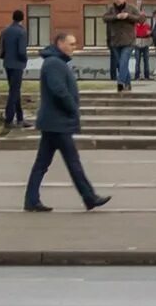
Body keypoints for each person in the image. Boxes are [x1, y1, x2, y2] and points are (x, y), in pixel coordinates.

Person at [24, 32, 110, 213]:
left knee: (43, 164)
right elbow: (59, 90)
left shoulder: (55, 62)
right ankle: (89, 197)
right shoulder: (54, 63)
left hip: (53, 121)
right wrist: (72, 108)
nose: (74, 47)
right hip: (57, 122)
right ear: (60, 43)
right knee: (72, 162)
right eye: (71, 44)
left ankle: (31, 200)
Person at [103, 0, 141, 93]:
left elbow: (141, 19)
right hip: (115, 41)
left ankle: (120, 82)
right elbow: (105, 18)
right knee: (120, 64)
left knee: (124, 61)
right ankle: (128, 83)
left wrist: (128, 16)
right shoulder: (111, 9)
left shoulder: (131, 8)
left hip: (128, 41)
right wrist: (116, 17)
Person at [0, 9, 29, 129]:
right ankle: (9, 119)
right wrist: (25, 60)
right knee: (14, 92)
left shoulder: (6, 30)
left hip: (7, 64)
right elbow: (22, 51)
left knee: (15, 91)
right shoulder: (21, 32)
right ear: (22, 19)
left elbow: (3, 47)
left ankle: (20, 118)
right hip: (17, 65)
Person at [133, 14, 152, 82]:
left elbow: (150, 34)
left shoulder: (147, 26)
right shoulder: (135, 26)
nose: (141, 20)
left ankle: (147, 76)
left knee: (146, 61)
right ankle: (137, 76)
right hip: (137, 45)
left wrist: (149, 34)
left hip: (145, 44)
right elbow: (134, 35)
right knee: (137, 61)